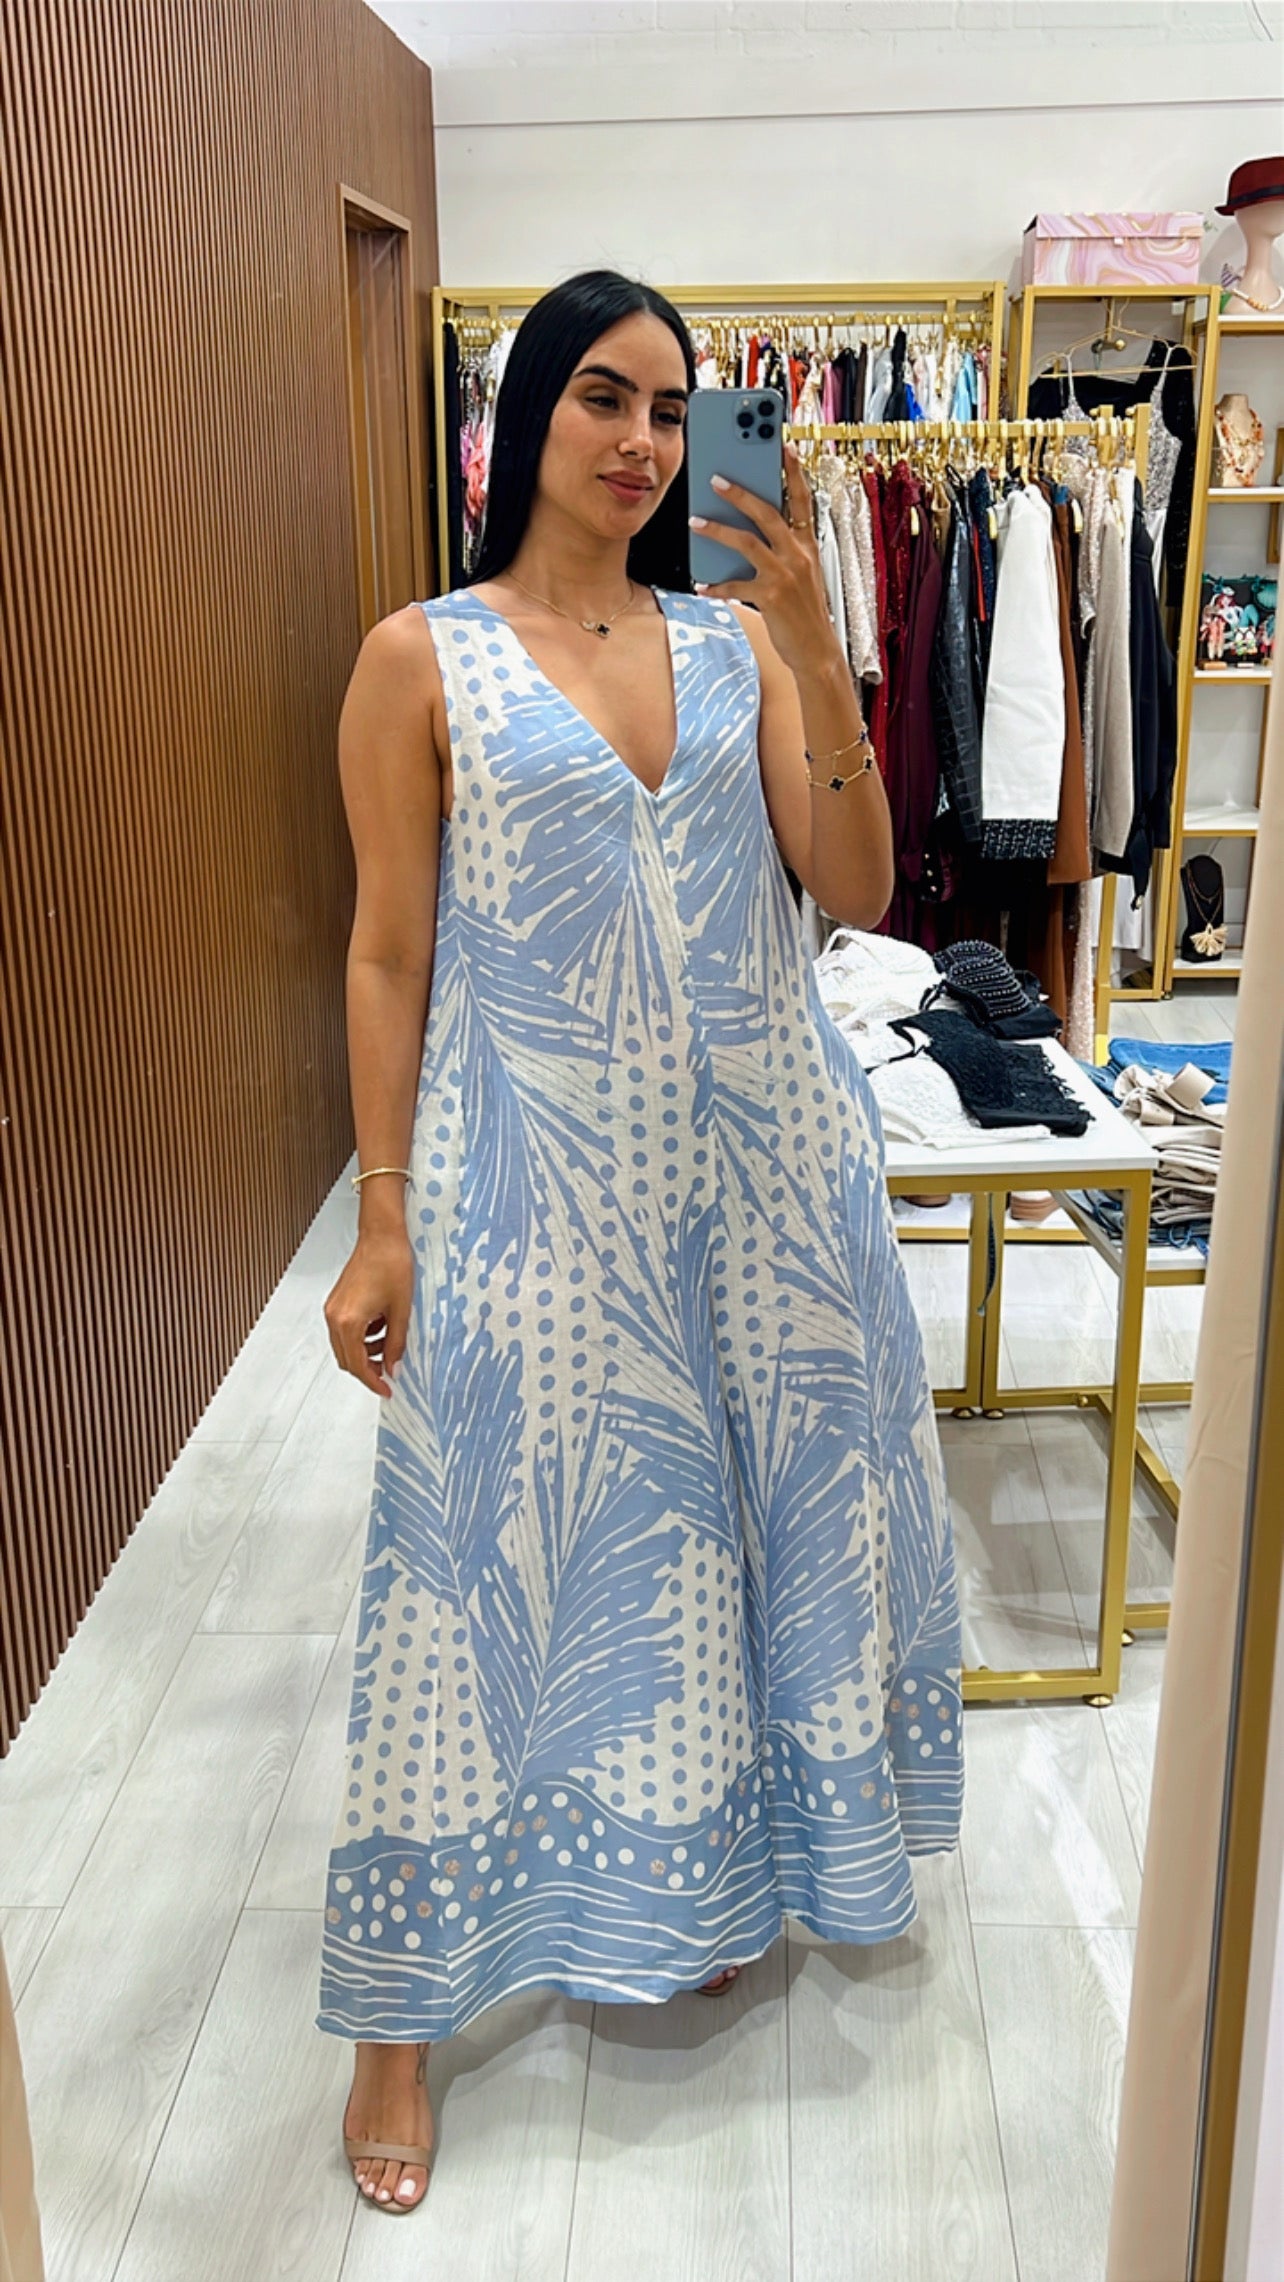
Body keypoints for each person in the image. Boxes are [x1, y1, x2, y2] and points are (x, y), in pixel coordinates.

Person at [318, 270, 963, 2216]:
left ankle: (694, 1880)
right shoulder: (420, 659)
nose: (644, 442)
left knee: (714, 1559)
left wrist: (819, 652)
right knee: (467, 1570)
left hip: (770, 1185)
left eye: (674, 411)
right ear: (527, 413)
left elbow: (857, 888)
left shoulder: (737, 636)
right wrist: (382, 1213)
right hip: (531, 1189)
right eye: (605, 397)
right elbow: (386, 951)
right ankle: (397, 2019)